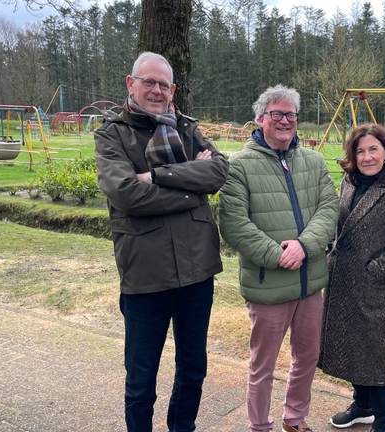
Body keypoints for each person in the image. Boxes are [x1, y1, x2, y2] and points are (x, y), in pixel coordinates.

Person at [95, 51, 228, 432]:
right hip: (145, 275)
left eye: (163, 84)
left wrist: (154, 176)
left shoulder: (185, 127)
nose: (156, 90)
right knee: (141, 379)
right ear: (130, 84)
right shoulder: (112, 134)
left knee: (193, 368)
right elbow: (126, 194)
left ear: (173, 90)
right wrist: (192, 185)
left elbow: (218, 171)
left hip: (197, 271)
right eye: (148, 82)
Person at [218, 84, 339, 432]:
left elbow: (328, 209)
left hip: (310, 282)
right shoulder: (239, 166)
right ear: (260, 119)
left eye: (291, 115)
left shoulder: (314, 161)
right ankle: (260, 425)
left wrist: (304, 245)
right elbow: (234, 223)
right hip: (268, 284)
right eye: (277, 114)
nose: (285, 120)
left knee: (307, 358)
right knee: (263, 364)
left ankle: (295, 418)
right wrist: (277, 255)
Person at [318, 124, 385, 432]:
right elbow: (341, 222)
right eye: (360, 151)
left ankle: (383, 421)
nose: (367, 157)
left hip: (375, 286)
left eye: (373, 149)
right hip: (343, 282)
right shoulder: (350, 180)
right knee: (352, 346)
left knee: (377, 354)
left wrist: (375, 268)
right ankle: (361, 406)